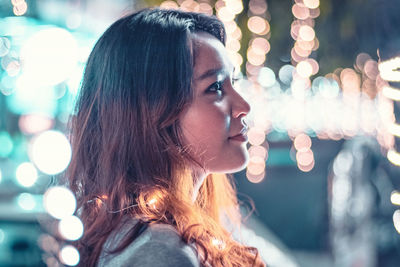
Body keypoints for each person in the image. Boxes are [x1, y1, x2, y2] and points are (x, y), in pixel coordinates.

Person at [66, 7, 265, 267]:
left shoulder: (149, 235)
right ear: (151, 111)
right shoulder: (160, 252)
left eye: (233, 83)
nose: (243, 106)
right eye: (215, 87)